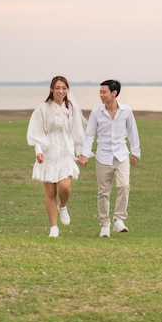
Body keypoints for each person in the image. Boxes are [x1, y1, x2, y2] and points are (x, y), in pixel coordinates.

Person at [78, 79, 141, 238]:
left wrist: (135, 152)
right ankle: (104, 225)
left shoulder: (126, 111)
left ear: (114, 93)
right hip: (103, 157)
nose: (101, 95)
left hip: (121, 155)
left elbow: (132, 132)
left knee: (124, 185)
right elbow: (90, 134)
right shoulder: (96, 113)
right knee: (103, 192)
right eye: (100, 92)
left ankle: (119, 220)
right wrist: (85, 154)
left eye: (104, 92)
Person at [26, 76, 86, 237]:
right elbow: (37, 131)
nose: (61, 91)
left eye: (64, 88)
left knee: (65, 187)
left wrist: (80, 152)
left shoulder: (70, 108)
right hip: (48, 152)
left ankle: (63, 205)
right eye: (58, 88)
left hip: (66, 152)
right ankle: (53, 227)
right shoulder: (43, 109)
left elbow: (77, 132)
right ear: (52, 89)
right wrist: (38, 151)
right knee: (51, 192)